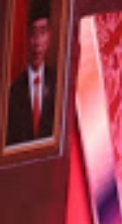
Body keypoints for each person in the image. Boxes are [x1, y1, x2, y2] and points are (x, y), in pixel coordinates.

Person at [5, 0, 55, 147]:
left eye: (42, 32)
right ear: (27, 36)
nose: (37, 42)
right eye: (33, 33)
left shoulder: (57, 84)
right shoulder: (14, 91)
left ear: (49, 36)